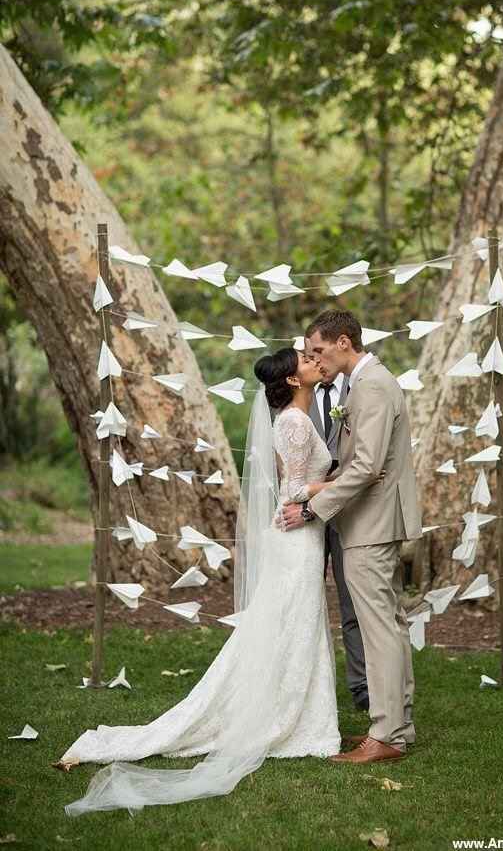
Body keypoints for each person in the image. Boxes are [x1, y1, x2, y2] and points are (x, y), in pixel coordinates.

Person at [57, 348, 345, 816]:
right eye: (306, 359)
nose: (315, 360)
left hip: (304, 534)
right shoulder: (292, 423)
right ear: (293, 380)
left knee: (300, 625)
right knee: (292, 624)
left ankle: (309, 721)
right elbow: (292, 489)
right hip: (296, 537)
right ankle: (295, 723)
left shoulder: (302, 414)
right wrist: (344, 483)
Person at [280, 310, 421, 765]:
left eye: (317, 351)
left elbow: (365, 466)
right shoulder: (365, 383)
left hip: (372, 523)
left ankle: (386, 736)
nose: (314, 360)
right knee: (391, 626)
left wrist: (311, 509)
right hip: (374, 520)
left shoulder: (372, 386)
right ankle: (398, 725)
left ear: (344, 342)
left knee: (380, 628)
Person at [307, 353, 369, 712]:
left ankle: (362, 686)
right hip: (306, 513)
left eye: (317, 351)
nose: (315, 360)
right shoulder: (291, 403)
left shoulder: (358, 388)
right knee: (301, 597)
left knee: (354, 598)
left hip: (350, 507)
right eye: (307, 354)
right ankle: (305, 682)